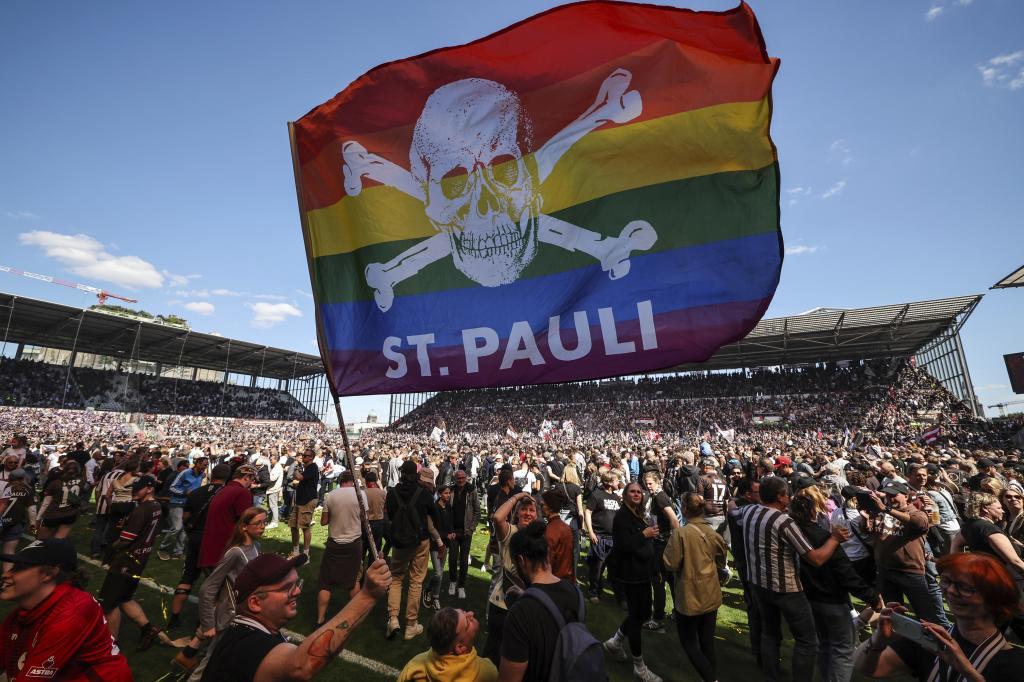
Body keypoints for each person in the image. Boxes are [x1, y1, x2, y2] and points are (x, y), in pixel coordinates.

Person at [200, 554, 392, 681]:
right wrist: (367, 596)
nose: (298, 591)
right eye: (287, 588)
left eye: (296, 583)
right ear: (255, 603)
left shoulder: (248, 632)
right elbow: (302, 666)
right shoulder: (247, 645)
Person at [736, 475, 850, 682]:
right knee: (808, 641)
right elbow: (816, 558)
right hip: (786, 588)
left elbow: (732, 510)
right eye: (787, 494)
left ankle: (771, 675)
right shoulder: (783, 521)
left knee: (770, 633)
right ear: (780, 497)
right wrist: (834, 539)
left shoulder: (749, 511)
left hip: (758, 583)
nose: (789, 497)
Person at [854, 552, 1024, 681]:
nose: (950, 591)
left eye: (964, 587)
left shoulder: (1014, 663)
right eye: (946, 581)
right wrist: (878, 640)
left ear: (994, 597)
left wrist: (968, 673)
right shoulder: (931, 641)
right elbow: (868, 669)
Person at [0, 538, 132, 681]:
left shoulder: (71, 613)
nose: (5, 574)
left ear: (48, 573)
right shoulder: (27, 611)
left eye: (19, 567)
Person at [789, 494, 882, 682]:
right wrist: (872, 597)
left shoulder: (794, 533)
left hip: (809, 597)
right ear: (813, 511)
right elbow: (845, 573)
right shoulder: (823, 537)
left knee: (826, 643)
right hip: (830, 599)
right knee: (843, 648)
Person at [500, 520, 591, 682]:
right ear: (548, 552)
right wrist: (529, 596)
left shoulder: (520, 614)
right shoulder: (576, 594)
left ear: (521, 561)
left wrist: (528, 601)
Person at [662, 492, 727, 682]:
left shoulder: (681, 533)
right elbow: (722, 562)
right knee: (707, 641)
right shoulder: (713, 533)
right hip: (710, 592)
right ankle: (709, 677)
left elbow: (670, 563)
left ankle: (711, 679)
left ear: (684, 509)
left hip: (689, 594)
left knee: (689, 642)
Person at [866, 482, 950, 628]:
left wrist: (886, 509)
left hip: (910, 572)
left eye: (894, 495)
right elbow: (872, 532)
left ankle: (935, 645)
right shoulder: (881, 513)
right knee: (894, 614)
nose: (890, 498)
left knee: (925, 614)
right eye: (888, 495)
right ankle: (900, 643)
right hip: (886, 570)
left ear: (905, 496)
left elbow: (921, 523)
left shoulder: (916, 512)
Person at [603, 481, 664, 682]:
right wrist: (643, 534)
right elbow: (622, 545)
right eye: (633, 491)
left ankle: (615, 641)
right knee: (638, 617)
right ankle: (639, 666)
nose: (637, 494)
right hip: (631, 574)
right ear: (625, 494)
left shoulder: (638, 514)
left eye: (639, 491)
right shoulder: (622, 516)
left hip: (643, 571)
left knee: (644, 613)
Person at [98, 474, 167, 650]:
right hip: (140, 560)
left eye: (139, 489)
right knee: (125, 597)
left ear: (149, 489)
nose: (134, 492)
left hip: (126, 561)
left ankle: (111, 644)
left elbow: (126, 539)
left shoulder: (141, 510)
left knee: (109, 602)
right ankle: (148, 630)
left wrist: (113, 545)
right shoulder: (156, 506)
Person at [951, 491, 1024, 640]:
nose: (1003, 510)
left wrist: (964, 567)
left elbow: (956, 545)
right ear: (985, 509)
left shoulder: (970, 525)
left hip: (988, 582)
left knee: (1003, 619)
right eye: (998, 507)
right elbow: (1014, 561)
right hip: (1003, 583)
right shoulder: (988, 529)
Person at [168, 463, 229, 630]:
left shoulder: (196, 492)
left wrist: (190, 531)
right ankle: (204, 621)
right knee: (214, 582)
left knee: (188, 577)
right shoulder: (225, 495)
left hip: (194, 538)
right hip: (212, 541)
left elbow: (186, 516)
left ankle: (174, 617)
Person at [385, 459, 439, 640]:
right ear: (416, 476)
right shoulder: (423, 493)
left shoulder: (392, 493)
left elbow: (390, 515)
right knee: (416, 581)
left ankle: (393, 619)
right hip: (419, 541)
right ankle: (411, 624)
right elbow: (435, 513)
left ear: (401, 474)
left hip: (399, 541)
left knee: (396, 579)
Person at [482, 490, 537, 665]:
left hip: (527, 603)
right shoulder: (510, 532)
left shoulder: (540, 538)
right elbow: (497, 518)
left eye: (531, 510)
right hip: (502, 602)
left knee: (518, 655)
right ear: (517, 513)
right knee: (494, 653)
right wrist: (517, 497)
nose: (527, 513)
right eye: (524, 509)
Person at [316, 470, 367, 627]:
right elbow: (365, 518)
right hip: (354, 542)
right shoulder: (360, 494)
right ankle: (355, 616)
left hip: (335, 542)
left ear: (340, 481)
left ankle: (320, 619)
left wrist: (335, 514)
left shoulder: (331, 495)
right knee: (353, 580)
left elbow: (324, 521)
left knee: (326, 582)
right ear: (352, 481)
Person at [398, 607, 497, 682]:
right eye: (467, 622)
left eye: (464, 612)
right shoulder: (488, 673)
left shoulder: (415, 665)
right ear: (460, 647)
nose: (471, 613)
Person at [726, 476, 763, 668]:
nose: (762, 494)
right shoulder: (742, 511)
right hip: (748, 563)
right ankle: (759, 650)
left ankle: (759, 647)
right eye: (758, 491)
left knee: (756, 608)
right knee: (757, 609)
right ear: (748, 494)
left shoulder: (736, 506)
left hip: (748, 562)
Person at [198, 464, 255, 570]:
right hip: (227, 548)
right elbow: (246, 522)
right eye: (252, 479)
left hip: (212, 547)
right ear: (246, 477)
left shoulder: (223, 490)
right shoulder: (242, 492)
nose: (252, 483)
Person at [584, 470, 624, 605]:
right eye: (616, 480)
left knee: (616, 569)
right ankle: (594, 592)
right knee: (597, 568)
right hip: (600, 537)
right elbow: (588, 512)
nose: (619, 482)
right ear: (608, 482)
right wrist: (590, 532)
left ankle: (620, 597)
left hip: (615, 538)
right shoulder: (596, 495)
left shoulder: (617, 498)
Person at [159, 456, 208, 560]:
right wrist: (184, 492)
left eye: (207, 465)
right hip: (177, 503)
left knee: (184, 529)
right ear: (197, 463)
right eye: (204, 465)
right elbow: (172, 487)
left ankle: (178, 551)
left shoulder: (202, 475)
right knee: (177, 527)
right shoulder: (185, 473)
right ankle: (163, 549)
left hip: (189, 505)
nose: (206, 467)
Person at [448, 469, 479, 600]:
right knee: (453, 558)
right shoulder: (451, 490)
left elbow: (477, 511)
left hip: (466, 531)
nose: (460, 480)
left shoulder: (471, 490)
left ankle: (461, 586)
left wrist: (471, 528)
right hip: (453, 530)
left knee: (464, 559)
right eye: (458, 478)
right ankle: (452, 581)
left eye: (462, 478)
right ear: (455, 478)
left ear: (466, 478)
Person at [36, 459, 82, 539]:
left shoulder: (55, 483)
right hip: (70, 514)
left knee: (41, 540)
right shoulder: (82, 481)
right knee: (58, 539)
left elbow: (46, 503)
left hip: (53, 514)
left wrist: (38, 518)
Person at [0, 468, 36, 571]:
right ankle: (7, 581)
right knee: (9, 552)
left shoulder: (3, 486)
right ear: (24, 477)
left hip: (2, 520)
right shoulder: (28, 490)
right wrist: (33, 527)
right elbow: (32, 510)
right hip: (15, 523)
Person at [540, 487, 575, 582]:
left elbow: (548, 561)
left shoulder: (550, 531)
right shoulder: (566, 527)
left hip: (554, 580)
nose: (541, 508)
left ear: (550, 507)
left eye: (542, 505)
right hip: (567, 579)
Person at [289, 448, 319, 557]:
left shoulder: (313, 467)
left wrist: (296, 468)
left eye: (306, 456)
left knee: (305, 527)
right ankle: (296, 551)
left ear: (311, 457)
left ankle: (306, 555)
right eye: (303, 455)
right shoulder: (306, 468)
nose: (303, 457)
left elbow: (299, 477)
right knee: (293, 526)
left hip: (308, 501)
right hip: (300, 501)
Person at [266, 452, 284, 529]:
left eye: (271, 459)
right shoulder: (275, 466)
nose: (270, 460)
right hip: (272, 489)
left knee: (273, 506)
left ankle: (274, 522)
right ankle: (271, 520)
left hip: (273, 489)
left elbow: (272, 478)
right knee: (271, 506)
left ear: (276, 460)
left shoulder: (277, 467)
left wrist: (265, 477)